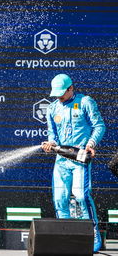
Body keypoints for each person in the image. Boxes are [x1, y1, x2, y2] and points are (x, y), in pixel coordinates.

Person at [41, 73, 105, 253]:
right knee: (60, 200)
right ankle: (65, 238)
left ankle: (93, 235)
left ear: (71, 88)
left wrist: (90, 144)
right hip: (61, 160)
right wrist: (51, 144)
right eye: (56, 94)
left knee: (81, 196)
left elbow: (99, 125)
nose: (59, 97)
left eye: (62, 92)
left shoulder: (85, 102)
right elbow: (52, 134)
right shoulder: (52, 108)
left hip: (79, 159)